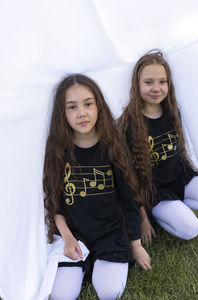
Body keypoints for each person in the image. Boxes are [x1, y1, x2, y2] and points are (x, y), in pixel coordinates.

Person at [43, 74, 151, 300]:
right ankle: (80, 266)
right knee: (61, 296)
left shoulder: (113, 146)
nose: (82, 112)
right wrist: (68, 237)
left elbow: (128, 200)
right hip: (75, 235)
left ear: (98, 106)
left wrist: (136, 245)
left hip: (110, 234)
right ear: (62, 113)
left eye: (88, 104)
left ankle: (97, 265)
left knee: (109, 292)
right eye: (72, 107)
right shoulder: (57, 151)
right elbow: (56, 205)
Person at [118, 50, 198, 245]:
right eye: (148, 82)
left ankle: (178, 206)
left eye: (162, 82)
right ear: (136, 84)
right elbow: (127, 177)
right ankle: (164, 212)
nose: (156, 88)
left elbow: (179, 153)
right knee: (192, 229)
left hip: (180, 179)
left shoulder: (172, 111)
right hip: (155, 193)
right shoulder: (127, 124)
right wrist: (143, 217)